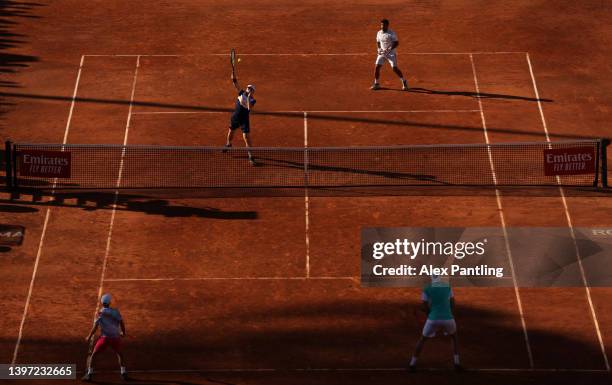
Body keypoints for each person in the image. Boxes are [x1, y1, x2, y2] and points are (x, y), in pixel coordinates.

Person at [408, 275, 462, 371]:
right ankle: (457, 363)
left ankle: (412, 364)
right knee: (454, 338)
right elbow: (453, 303)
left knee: (422, 340)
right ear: (440, 279)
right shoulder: (448, 287)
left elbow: (424, 305)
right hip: (448, 319)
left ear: (432, 280)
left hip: (432, 319)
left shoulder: (427, 289)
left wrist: (430, 314)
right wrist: (450, 315)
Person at [82, 294, 128, 381]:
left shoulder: (99, 313)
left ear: (102, 303)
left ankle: (89, 374)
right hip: (115, 338)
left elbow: (95, 327)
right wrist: (123, 332)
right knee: (120, 354)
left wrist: (89, 336)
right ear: (109, 302)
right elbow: (121, 323)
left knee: (94, 355)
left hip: (104, 339)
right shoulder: (116, 312)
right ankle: (123, 373)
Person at [224, 73, 257, 165]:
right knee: (231, 131)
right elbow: (236, 85)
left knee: (246, 137)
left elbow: (249, 108)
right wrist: (233, 79)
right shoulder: (241, 93)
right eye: (248, 88)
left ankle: (251, 156)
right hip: (235, 117)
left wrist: (249, 97)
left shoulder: (252, 100)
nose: (248, 89)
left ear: (253, 91)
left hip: (244, 120)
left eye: (250, 89)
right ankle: (228, 144)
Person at [371, 19, 409, 91]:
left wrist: (389, 49)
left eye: (384, 25)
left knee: (394, 68)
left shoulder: (391, 33)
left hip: (391, 53)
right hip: (382, 53)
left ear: (387, 25)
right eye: (381, 25)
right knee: (377, 67)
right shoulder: (379, 33)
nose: (382, 26)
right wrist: (379, 49)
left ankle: (404, 81)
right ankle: (376, 83)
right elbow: (378, 42)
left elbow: (396, 43)